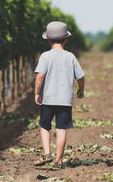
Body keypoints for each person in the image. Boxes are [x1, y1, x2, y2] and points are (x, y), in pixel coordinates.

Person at [34, 21, 85, 170]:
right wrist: (81, 90)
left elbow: (40, 76)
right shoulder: (71, 57)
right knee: (61, 129)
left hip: (48, 99)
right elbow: (81, 77)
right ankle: (59, 161)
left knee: (44, 125)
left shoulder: (45, 56)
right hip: (65, 101)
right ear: (66, 39)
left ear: (48, 40)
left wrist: (37, 92)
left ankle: (46, 153)